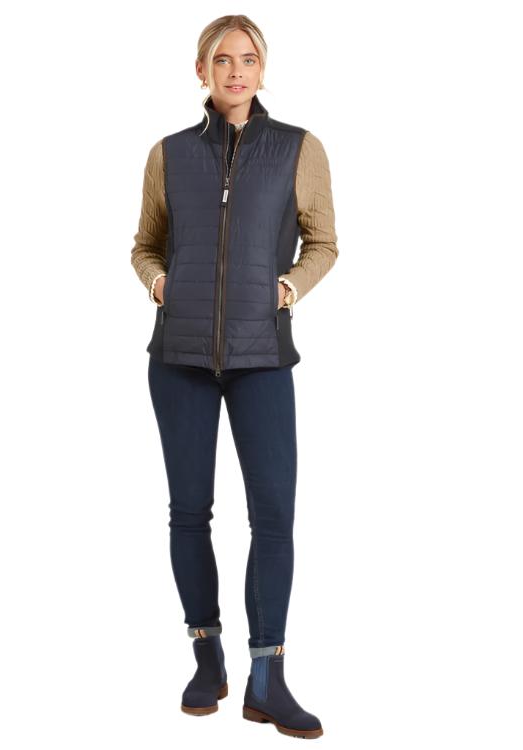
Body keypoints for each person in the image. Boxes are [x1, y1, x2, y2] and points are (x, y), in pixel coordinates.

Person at [130, 15, 338, 740]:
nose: (237, 71)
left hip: (263, 358)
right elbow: (145, 244)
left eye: (249, 59)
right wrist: (159, 282)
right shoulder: (169, 153)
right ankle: (206, 657)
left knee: (273, 515)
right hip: (178, 359)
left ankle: (267, 678)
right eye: (223, 60)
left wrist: (288, 288)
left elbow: (324, 243)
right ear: (202, 70)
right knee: (189, 513)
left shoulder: (298, 149)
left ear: (262, 69)